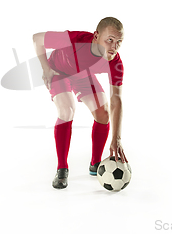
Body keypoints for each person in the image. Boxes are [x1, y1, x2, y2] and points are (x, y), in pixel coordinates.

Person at [32, 17, 128, 189]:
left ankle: (96, 164)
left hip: (83, 77)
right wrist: (46, 69)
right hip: (59, 71)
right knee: (67, 110)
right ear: (96, 36)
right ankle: (62, 169)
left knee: (103, 113)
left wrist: (116, 138)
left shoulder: (115, 62)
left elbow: (116, 99)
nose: (114, 47)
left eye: (119, 42)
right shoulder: (74, 40)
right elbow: (37, 38)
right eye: (110, 40)